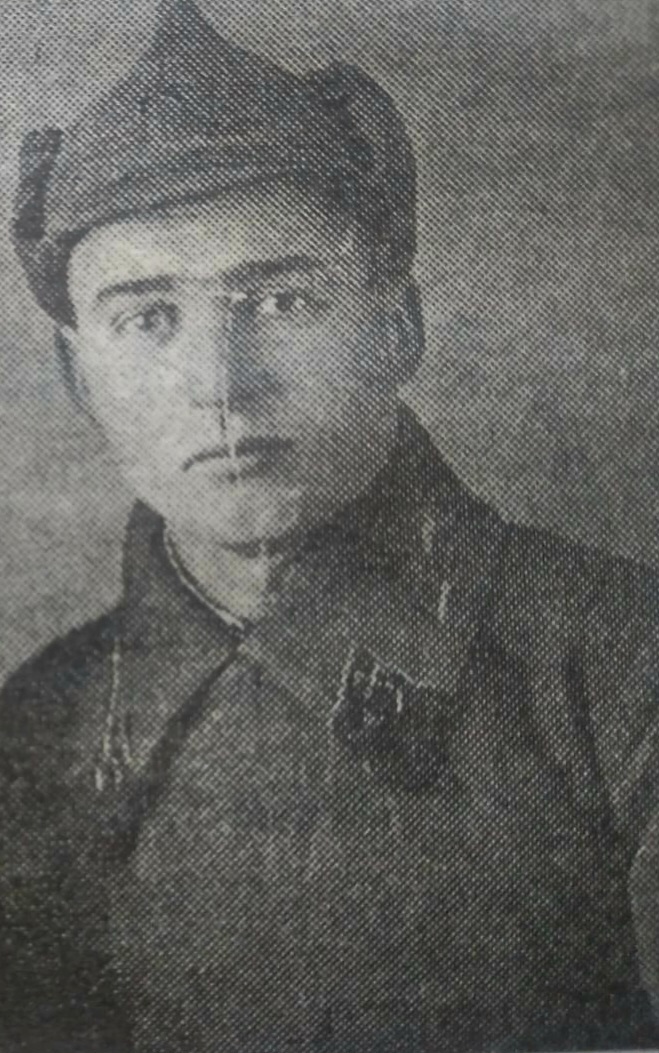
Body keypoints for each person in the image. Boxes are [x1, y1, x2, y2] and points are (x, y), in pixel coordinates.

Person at [3, 1, 659, 1051]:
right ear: (80, 379)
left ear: (395, 326)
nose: (220, 385)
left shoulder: (618, 663)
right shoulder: (35, 729)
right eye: (147, 318)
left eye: (280, 303)